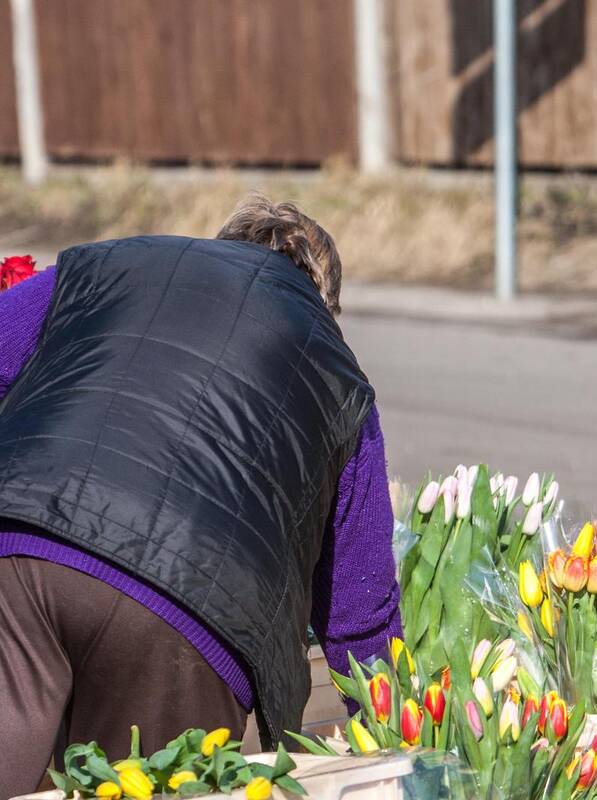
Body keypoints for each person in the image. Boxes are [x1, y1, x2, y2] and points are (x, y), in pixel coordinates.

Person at [0, 196, 401, 797]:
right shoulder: (334, 373)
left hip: (23, 551)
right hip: (185, 613)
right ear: (324, 302)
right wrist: (390, 742)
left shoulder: (112, 267)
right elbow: (358, 610)